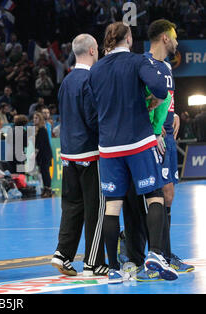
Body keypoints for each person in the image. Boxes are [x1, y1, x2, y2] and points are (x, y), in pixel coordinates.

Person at [89, 22, 177, 284]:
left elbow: (92, 107)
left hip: (108, 147)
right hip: (138, 142)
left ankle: (114, 269)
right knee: (155, 197)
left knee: (113, 207)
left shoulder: (96, 69)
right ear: (128, 38)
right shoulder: (138, 61)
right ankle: (157, 254)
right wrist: (154, 101)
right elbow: (162, 89)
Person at [120, 19, 194, 281]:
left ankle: (165, 253)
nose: (176, 42)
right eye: (174, 37)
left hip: (168, 136)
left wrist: (173, 115)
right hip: (152, 138)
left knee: (169, 195)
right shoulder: (143, 63)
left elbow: (166, 96)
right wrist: (152, 124)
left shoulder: (165, 67)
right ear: (165, 37)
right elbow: (137, 100)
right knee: (157, 194)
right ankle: (147, 251)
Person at [51, 34, 108, 277]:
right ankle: (93, 262)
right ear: (93, 50)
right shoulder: (91, 79)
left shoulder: (66, 80)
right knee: (97, 208)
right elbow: (93, 118)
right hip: (90, 152)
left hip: (69, 153)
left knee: (72, 206)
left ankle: (62, 254)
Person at [33, 112, 53, 198]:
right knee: (43, 172)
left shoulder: (42, 129)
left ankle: (48, 189)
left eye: (36, 118)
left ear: (40, 119)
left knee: (45, 172)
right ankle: (45, 188)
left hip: (45, 155)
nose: (34, 120)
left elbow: (39, 144)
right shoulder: (38, 130)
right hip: (42, 155)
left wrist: (35, 153)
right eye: (34, 118)